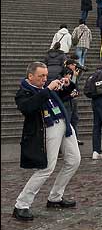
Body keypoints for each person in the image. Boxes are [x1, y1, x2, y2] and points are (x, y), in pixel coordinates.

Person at [13, 61, 81, 221]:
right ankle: (21, 204)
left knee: (74, 160)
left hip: (64, 124)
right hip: (46, 129)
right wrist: (48, 89)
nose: (44, 79)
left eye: (45, 76)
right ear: (30, 76)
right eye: (41, 76)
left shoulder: (45, 88)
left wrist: (67, 84)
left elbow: (63, 97)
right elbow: (28, 107)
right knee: (46, 168)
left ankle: (55, 197)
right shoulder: (23, 92)